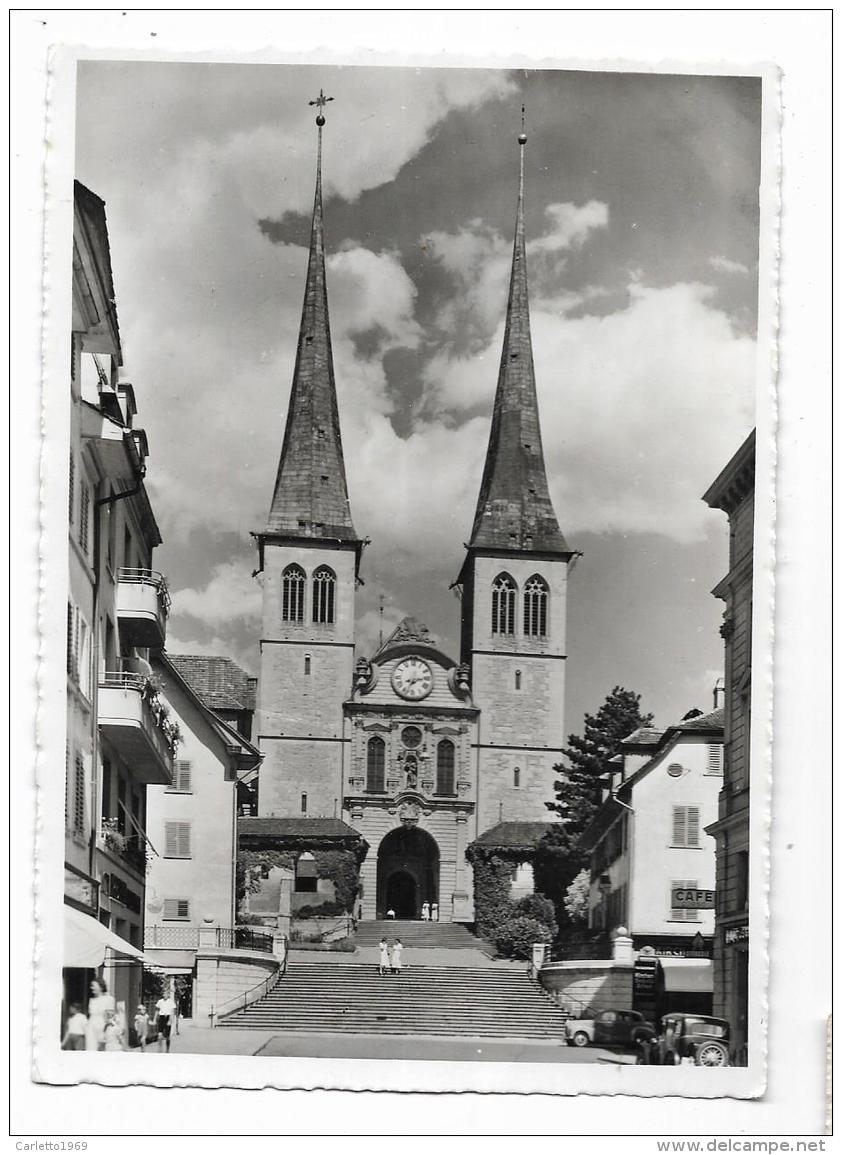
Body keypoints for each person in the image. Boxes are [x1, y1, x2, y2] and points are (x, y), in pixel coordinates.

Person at [85, 978, 115, 1051]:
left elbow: (110, 1017)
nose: (91, 988)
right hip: (91, 1029)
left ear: (101, 986)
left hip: (103, 1029)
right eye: (91, 986)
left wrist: (106, 1032)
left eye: (93, 986)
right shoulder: (92, 1000)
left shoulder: (109, 999)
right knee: (90, 1050)